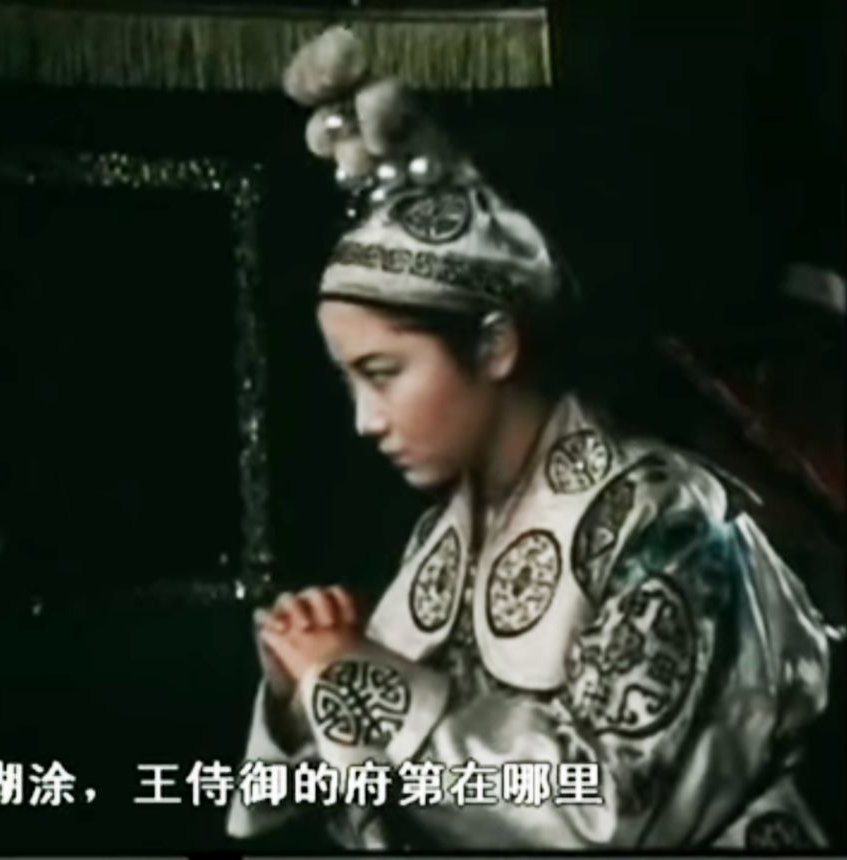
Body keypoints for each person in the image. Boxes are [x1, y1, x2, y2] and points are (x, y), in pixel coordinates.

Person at [226, 28, 838, 850]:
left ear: (494, 347)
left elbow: (602, 810)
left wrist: (349, 676)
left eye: (385, 373)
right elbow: (364, 801)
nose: (366, 420)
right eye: (351, 382)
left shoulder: (671, 523)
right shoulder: (440, 541)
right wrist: (296, 697)